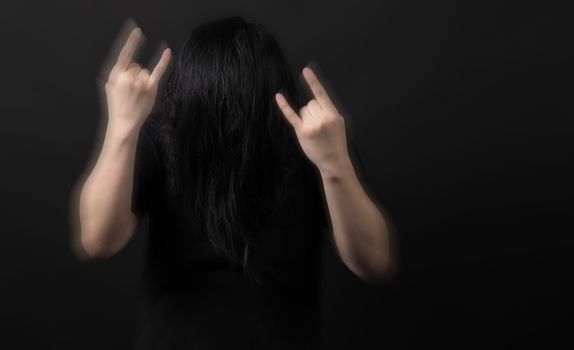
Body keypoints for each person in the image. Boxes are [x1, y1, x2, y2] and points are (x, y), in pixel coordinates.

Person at [70, 16, 397, 350]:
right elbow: (98, 239)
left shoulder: (311, 141)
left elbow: (374, 261)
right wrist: (122, 127)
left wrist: (335, 164)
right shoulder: (163, 138)